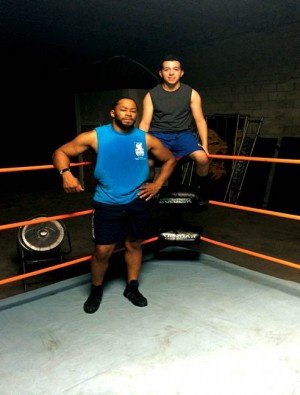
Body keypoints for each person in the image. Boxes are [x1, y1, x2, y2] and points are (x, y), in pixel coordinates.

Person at [52, 97, 176, 314]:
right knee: (102, 250)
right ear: (113, 113)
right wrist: (66, 174)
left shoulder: (144, 139)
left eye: (133, 111)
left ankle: (132, 287)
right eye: (124, 110)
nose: (129, 114)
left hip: (138, 200)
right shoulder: (95, 136)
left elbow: (170, 159)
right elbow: (60, 153)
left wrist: (157, 184)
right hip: (107, 202)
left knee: (134, 244)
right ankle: (96, 290)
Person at [139, 55, 210, 205]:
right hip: (158, 136)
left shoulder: (191, 93)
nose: (171, 73)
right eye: (167, 69)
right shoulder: (151, 95)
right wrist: (139, 148)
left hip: (183, 135)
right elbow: (145, 123)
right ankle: (146, 195)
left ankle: (202, 192)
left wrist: (205, 145)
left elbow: (200, 120)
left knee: (203, 158)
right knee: (146, 163)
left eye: (175, 69)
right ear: (161, 73)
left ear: (181, 73)